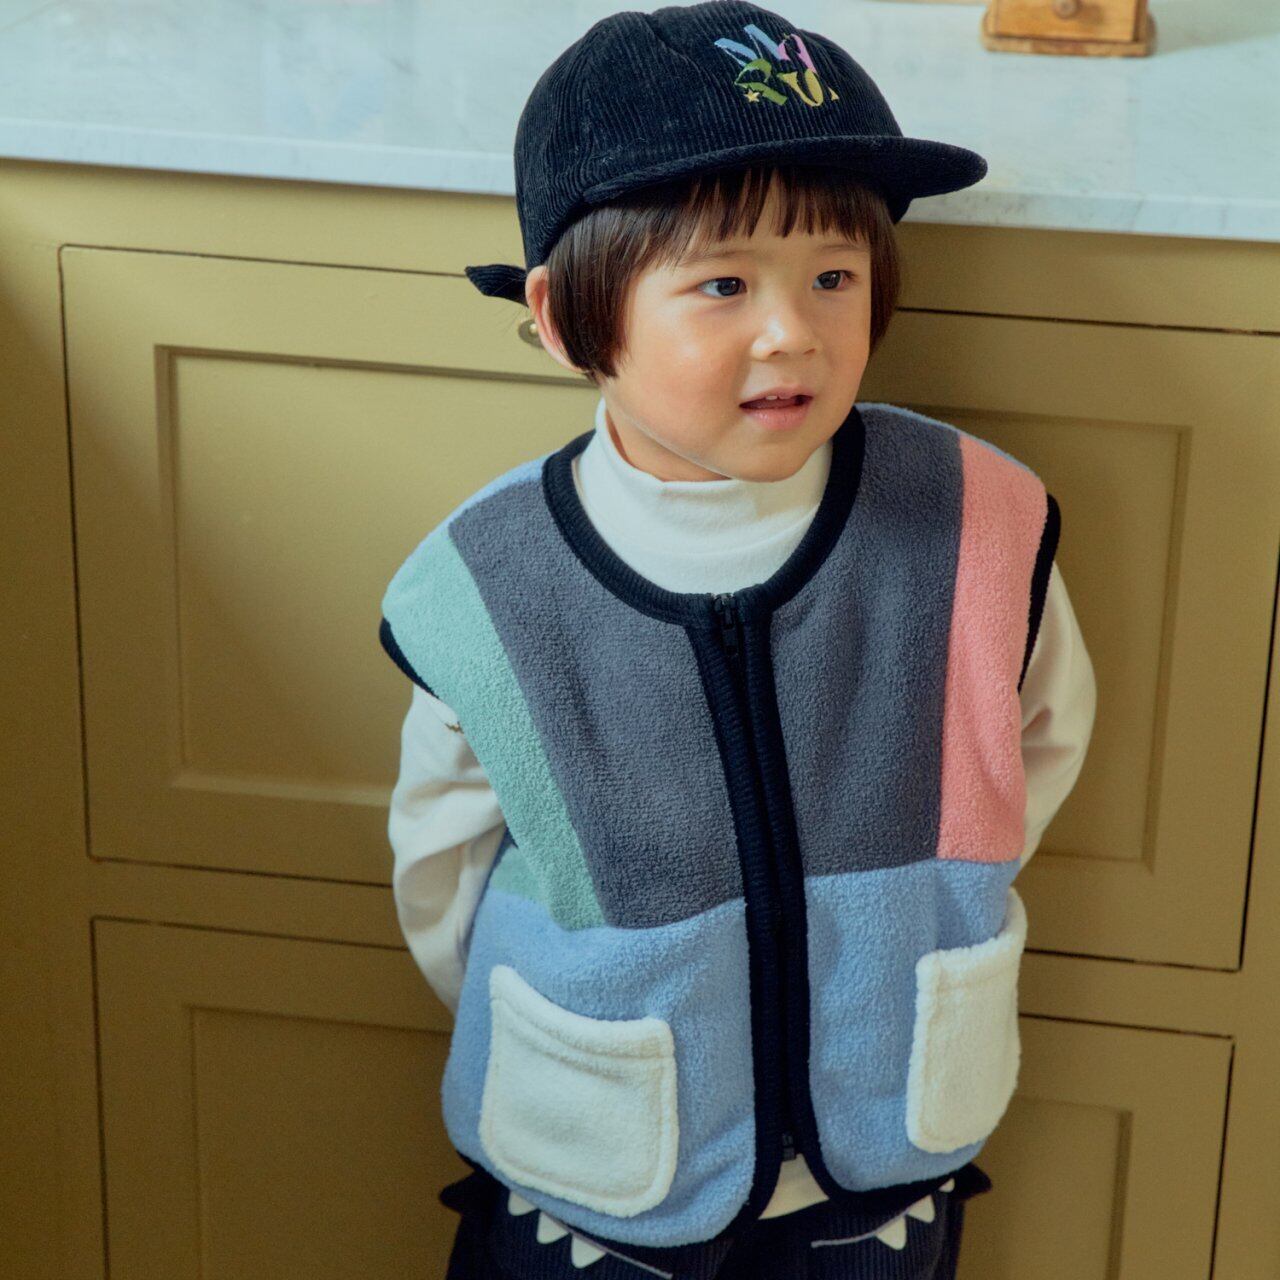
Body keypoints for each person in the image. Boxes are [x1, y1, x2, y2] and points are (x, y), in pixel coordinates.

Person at [379, 4, 1097, 1277]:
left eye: (832, 276)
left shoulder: (973, 519)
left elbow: (1032, 741)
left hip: (885, 1159)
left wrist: (919, 914)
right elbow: (443, 865)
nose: (791, 331)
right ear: (565, 319)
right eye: (721, 284)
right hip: (595, 1171)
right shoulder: (485, 584)